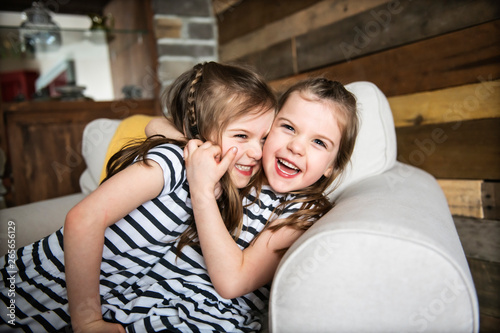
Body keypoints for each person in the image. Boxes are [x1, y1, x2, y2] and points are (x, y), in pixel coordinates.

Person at [0, 61, 277, 333]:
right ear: (197, 134)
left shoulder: (213, 180)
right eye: (242, 135)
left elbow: (155, 124)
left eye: (264, 139)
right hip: (44, 282)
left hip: (96, 297)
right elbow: (83, 219)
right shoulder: (173, 162)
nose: (256, 152)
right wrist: (87, 320)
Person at [147, 77, 359, 305]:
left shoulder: (302, 213)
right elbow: (155, 125)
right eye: (288, 127)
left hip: (208, 316)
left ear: (332, 166)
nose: (296, 147)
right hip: (157, 292)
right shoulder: (246, 167)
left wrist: (203, 190)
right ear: (268, 128)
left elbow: (232, 283)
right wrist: (200, 155)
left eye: (319, 142)